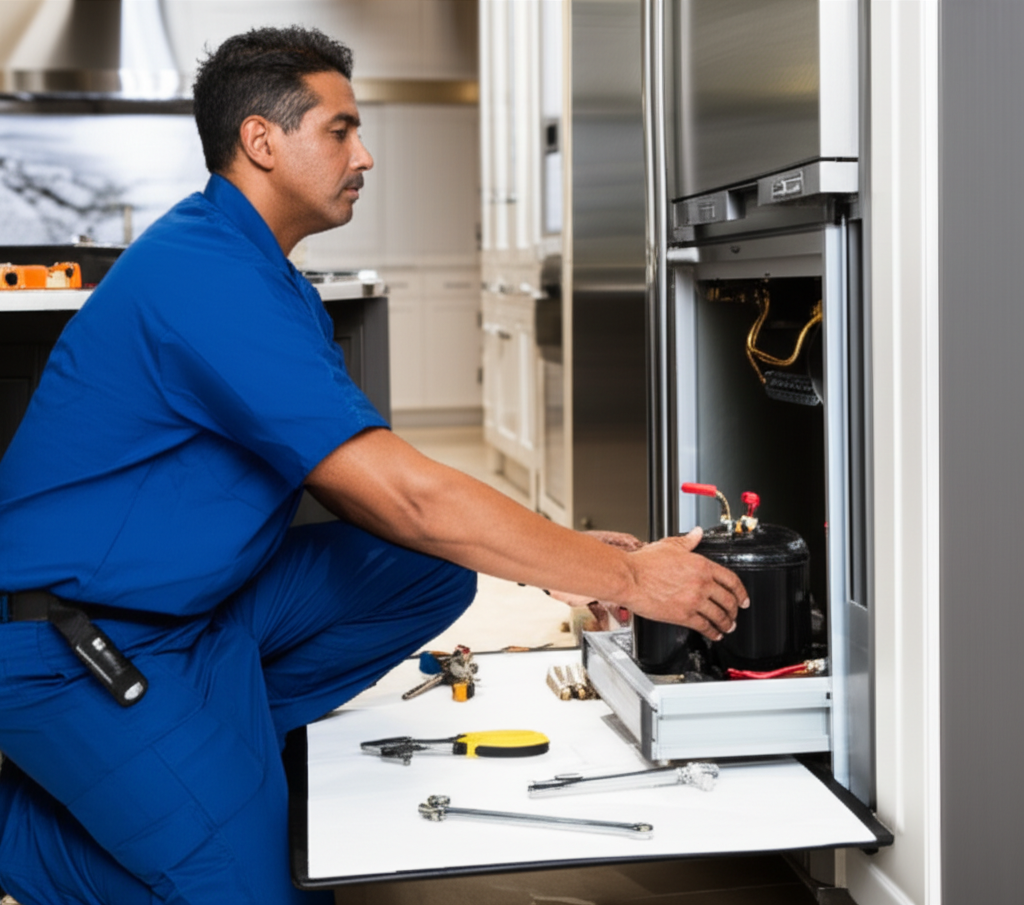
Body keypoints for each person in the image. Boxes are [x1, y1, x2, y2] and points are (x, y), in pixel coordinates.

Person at [0, 26, 747, 905]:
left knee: (428, 571)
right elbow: (409, 495)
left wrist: (557, 555)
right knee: (269, 890)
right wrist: (626, 574)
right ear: (262, 142)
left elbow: (379, 499)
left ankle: (207, 751)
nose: (365, 156)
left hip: (201, 614)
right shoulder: (205, 278)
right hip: (77, 640)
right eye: (341, 130)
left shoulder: (265, 275)